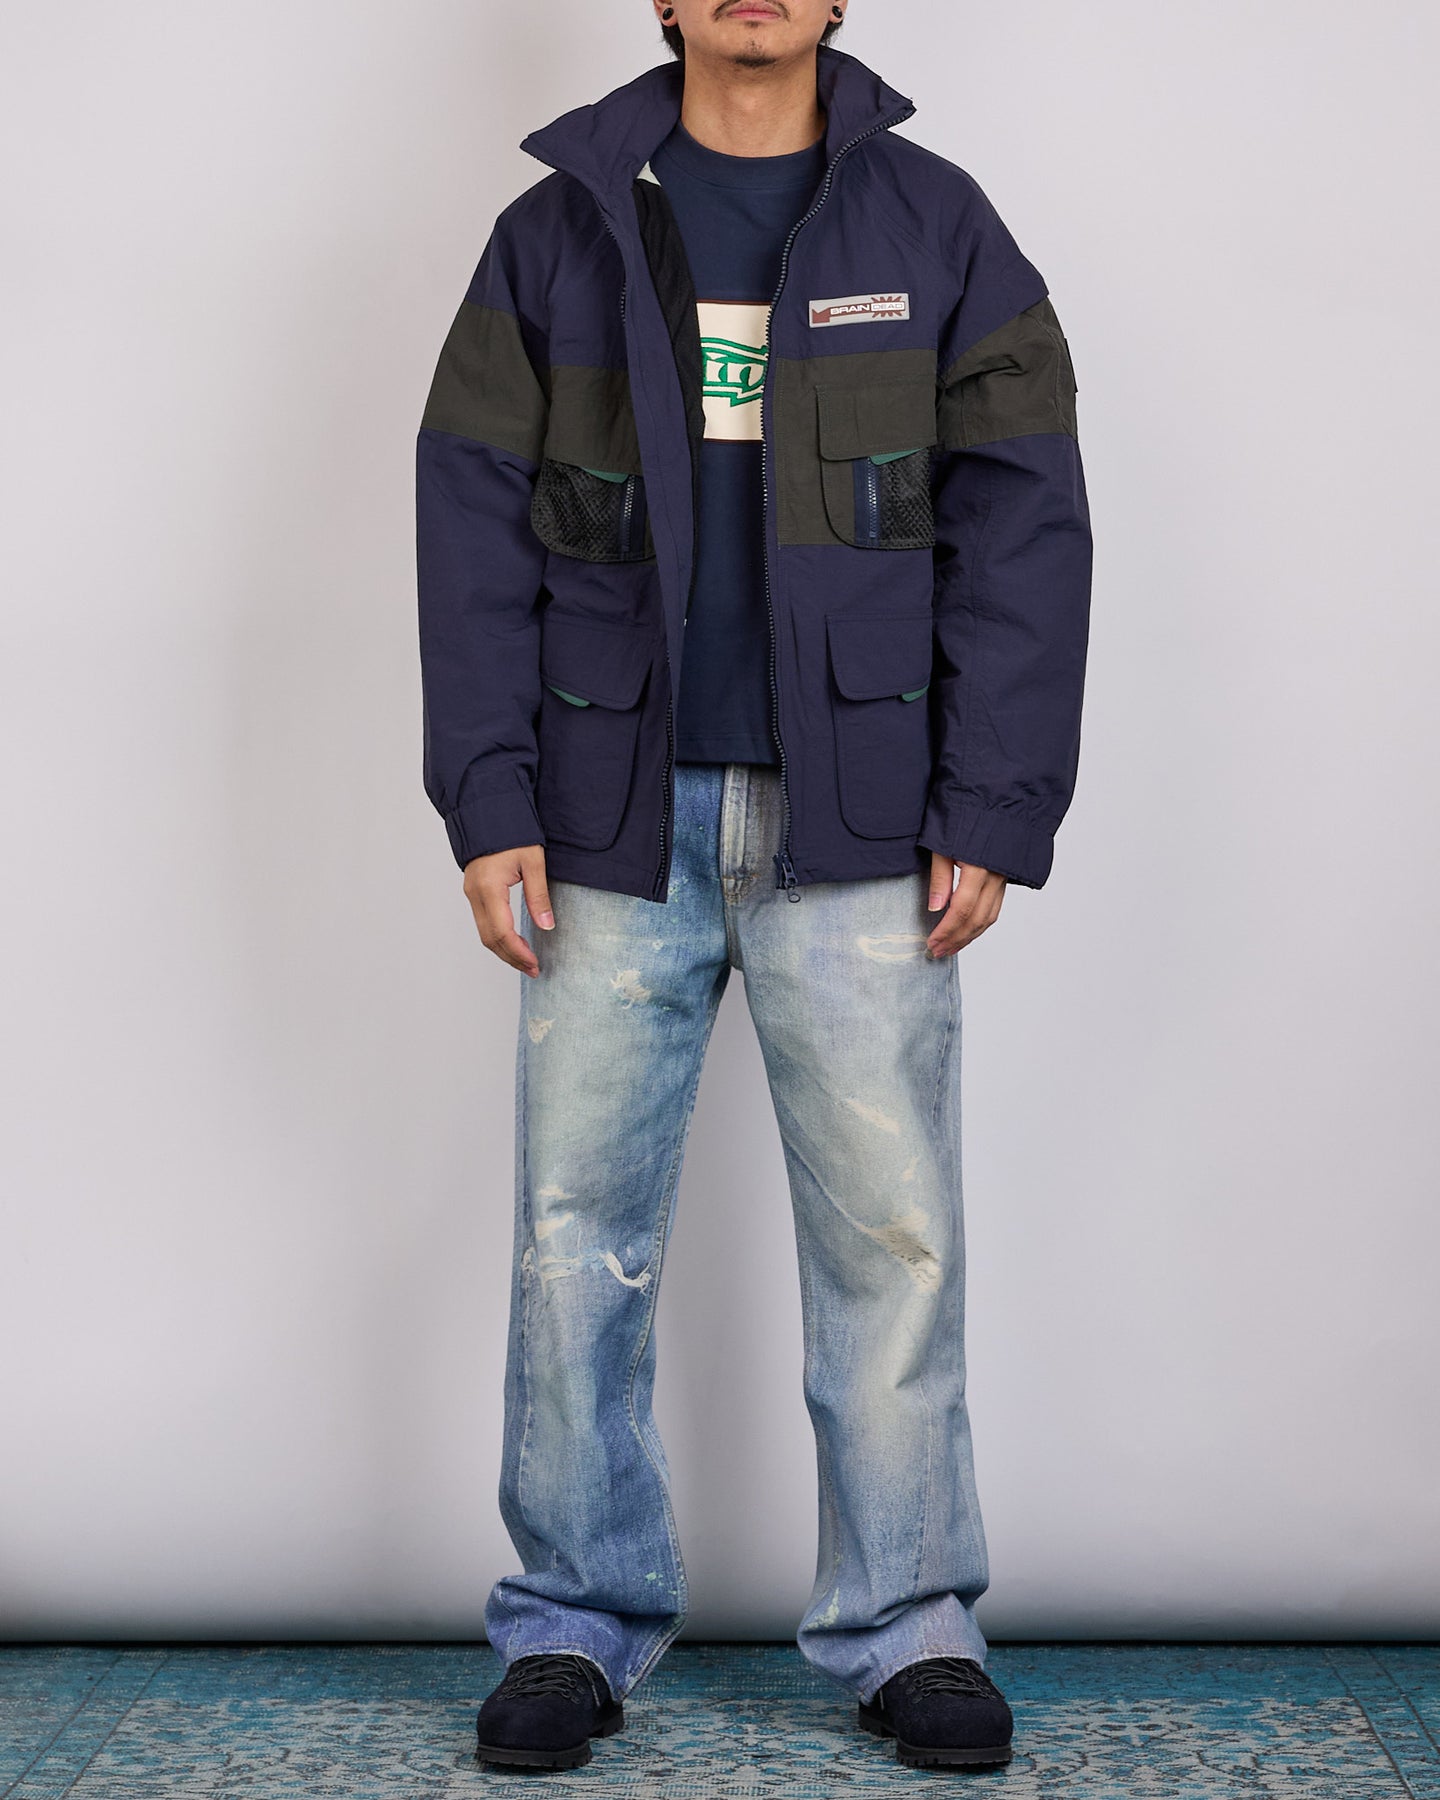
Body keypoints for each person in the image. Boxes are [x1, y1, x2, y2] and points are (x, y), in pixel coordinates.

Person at [415, 0, 1091, 1773]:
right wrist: (488, 796)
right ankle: (574, 1619)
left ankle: (910, 1624)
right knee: (576, 1240)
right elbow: (468, 518)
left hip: (860, 824)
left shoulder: (937, 227)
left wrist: (992, 800)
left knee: (894, 1244)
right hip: (604, 820)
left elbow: (1025, 522)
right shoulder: (555, 233)